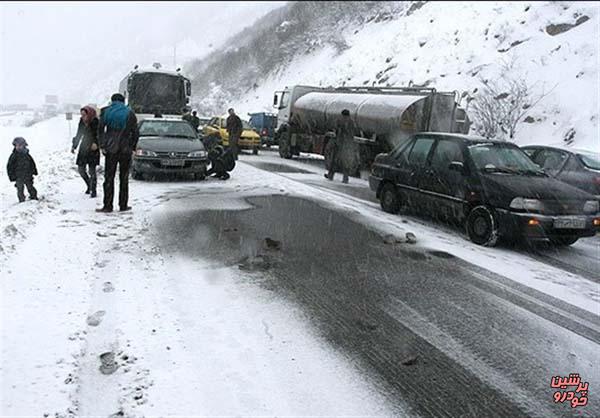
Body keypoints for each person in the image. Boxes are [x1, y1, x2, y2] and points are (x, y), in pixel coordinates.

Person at [96, 93, 139, 213]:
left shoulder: (106, 111)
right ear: (123, 101)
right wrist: (133, 147)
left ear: (112, 100)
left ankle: (108, 205)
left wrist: (102, 145)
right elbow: (135, 132)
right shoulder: (129, 113)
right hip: (125, 149)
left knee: (109, 178)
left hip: (111, 148)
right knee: (124, 178)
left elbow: (100, 130)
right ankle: (123, 205)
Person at [71, 106, 100, 197]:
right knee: (81, 170)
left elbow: (100, 134)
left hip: (93, 148)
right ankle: (89, 185)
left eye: (85, 114)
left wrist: (97, 143)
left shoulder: (96, 122)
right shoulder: (82, 122)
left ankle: (93, 190)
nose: (83, 117)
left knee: (92, 171)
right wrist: (74, 146)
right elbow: (79, 134)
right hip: (84, 148)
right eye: (82, 115)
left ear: (89, 114)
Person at [325, 109, 359, 184]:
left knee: (337, 161)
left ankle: (334, 176)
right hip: (345, 144)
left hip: (342, 144)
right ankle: (342, 177)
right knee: (342, 161)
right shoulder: (350, 122)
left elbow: (339, 132)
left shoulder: (344, 122)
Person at [7, 137, 38, 202]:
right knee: (20, 189)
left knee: (30, 186)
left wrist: (34, 170)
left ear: (24, 146)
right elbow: (9, 166)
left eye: (20, 145)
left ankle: (33, 196)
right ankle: (21, 200)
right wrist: (11, 176)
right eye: (17, 146)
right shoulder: (14, 156)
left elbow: (32, 163)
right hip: (18, 176)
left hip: (28, 174)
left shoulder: (26, 154)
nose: (18, 147)